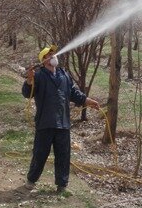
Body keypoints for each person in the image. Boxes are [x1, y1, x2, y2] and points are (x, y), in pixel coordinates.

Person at [22, 45, 100, 193]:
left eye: (54, 53)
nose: (53, 56)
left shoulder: (64, 75)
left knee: (63, 155)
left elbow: (74, 94)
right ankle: (31, 181)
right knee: (40, 154)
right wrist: (29, 80)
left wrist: (90, 102)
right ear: (43, 60)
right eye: (49, 54)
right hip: (45, 122)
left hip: (63, 124)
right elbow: (27, 93)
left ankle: (62, 185)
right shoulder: (38, 76)